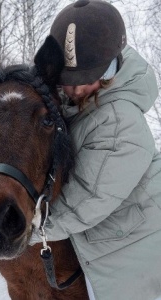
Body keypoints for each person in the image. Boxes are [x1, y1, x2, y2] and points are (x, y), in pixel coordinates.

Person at [30, 1, 161, 300]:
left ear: (111, 68)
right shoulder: (83, 106)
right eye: (67, 81)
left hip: (136, 251)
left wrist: (21, 231)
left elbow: (83, 203)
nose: (74, 91)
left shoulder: (120, 123)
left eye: (83, 81)